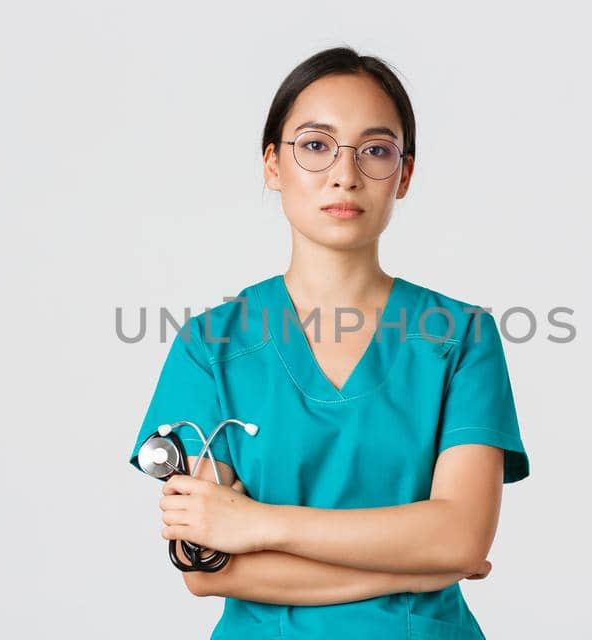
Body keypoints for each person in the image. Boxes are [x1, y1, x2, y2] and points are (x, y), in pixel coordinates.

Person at [127, 46, 530, 640]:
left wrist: (259, 523)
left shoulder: (460, 338)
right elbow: (208, 569)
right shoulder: (209, 346)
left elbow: (461, 537)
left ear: (405, 173)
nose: (345, 174)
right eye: (315, 145)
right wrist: (418, 568)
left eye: (375, 150)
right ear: (272, 164)